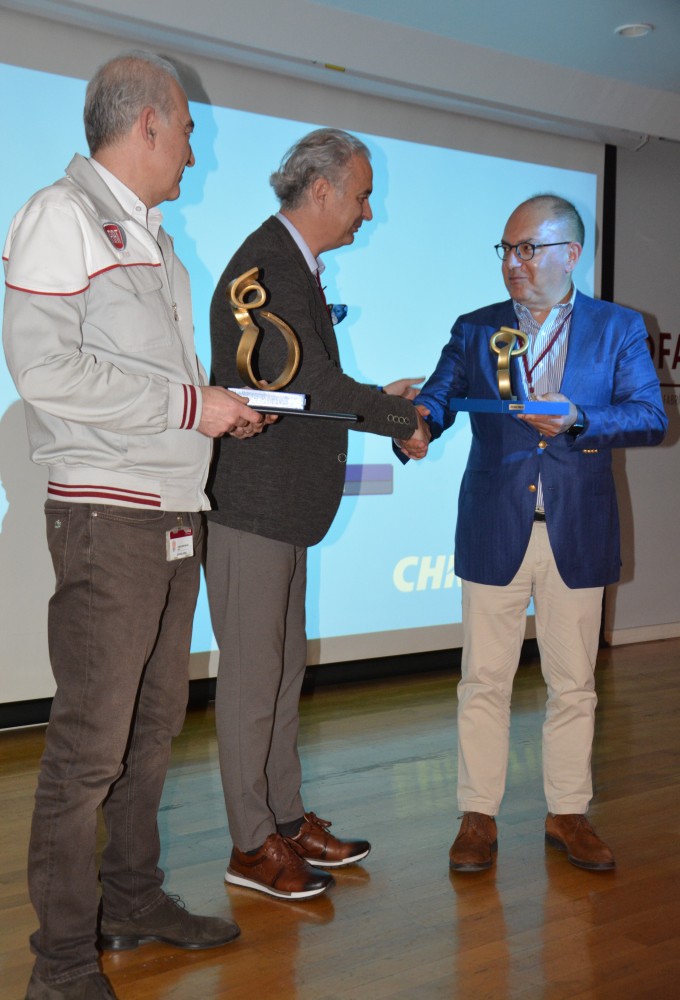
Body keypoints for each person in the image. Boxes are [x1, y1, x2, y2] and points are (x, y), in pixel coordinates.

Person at [2, 52, 270, 1000]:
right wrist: (192, 406)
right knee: (88, 750)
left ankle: (130, 900)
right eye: (189, 131)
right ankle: (62, 966)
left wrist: (214, 408)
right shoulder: (59, 216)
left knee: (152, 731)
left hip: (172, 511)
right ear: (148, 123)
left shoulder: (156, 238)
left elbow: (148, 381)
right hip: (107, 514)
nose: (194, 152)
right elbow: (45, 371)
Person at [399, 194, 667, 874]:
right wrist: (415, 425)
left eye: (527, 249)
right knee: (482, 680)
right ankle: (477, 816)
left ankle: (568, 813)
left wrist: (580, 419)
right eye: (506, 250)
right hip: (495, 523)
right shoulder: (476, 327)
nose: (513, 263)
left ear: (569, 254)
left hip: (577, 527)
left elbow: (650, 416)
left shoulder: (618, 327)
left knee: (574, 683)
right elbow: (439, 397)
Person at [205, 127, 430, 900]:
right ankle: (250, 845)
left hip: (282, 510)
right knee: (252, 682)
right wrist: (397, 417)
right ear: (324, 188)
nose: (368, 212)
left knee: (279, 674)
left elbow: (303, 386)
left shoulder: (288, 264)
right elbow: (309, 387)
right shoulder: (267, 266)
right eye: (362, 196)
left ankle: (284, 818)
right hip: (254, 508)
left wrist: (381, 403)